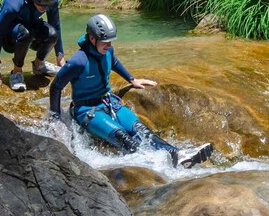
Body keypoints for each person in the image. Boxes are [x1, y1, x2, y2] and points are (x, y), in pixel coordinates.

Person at [49, 14, 213, 168]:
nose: (109, 45)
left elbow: (113, 62)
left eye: (111, 41)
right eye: (105, 41)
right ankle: (159, 166)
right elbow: (55, 87)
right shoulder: (78, 61)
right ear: (92, 38)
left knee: (143, 132)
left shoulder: (108, 51)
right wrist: (55, 118)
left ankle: (178, 154)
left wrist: (132, 80)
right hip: (86, 110)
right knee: (124, 137)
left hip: (109, 103)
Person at [0, 0, 65, 91]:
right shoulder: (13, 4)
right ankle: (16, 71)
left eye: (47, 5)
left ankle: (39, 65)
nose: (44, 8)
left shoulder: (51, 1)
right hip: (10, 37)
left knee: (52, 34)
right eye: (40, 4)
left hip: (30, 24)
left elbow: (56, 25)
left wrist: (60, 57)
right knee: (25, 33)